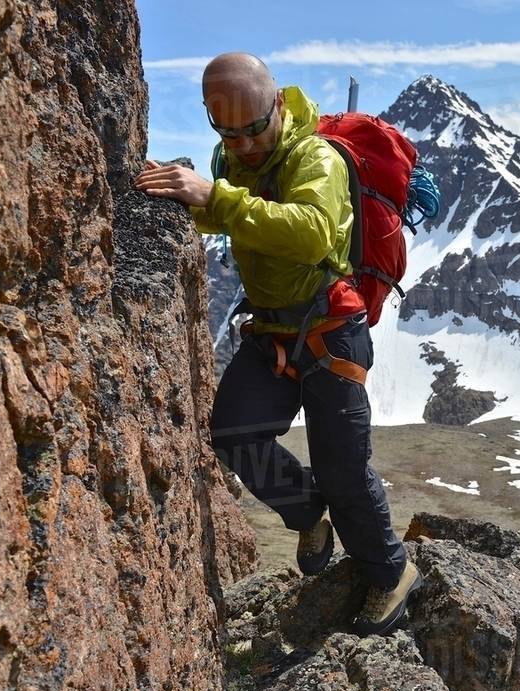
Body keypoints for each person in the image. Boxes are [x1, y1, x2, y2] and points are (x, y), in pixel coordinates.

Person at [134, 52, 419, 636]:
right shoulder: (233, 161)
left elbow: (310, 231)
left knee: (344, 470)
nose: (243, 147)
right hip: (271, 330)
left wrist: (215, 198)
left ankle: (392, 574)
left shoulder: (317, 158)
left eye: (254, 130)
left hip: (330, 330)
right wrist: (180, 195)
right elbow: (230, 217)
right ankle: (307, 510)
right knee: (235, 434)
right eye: (228, 134)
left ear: (279, 107)